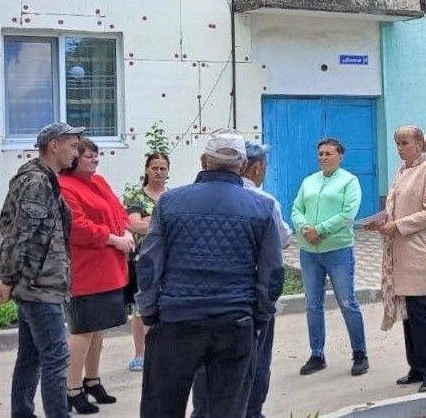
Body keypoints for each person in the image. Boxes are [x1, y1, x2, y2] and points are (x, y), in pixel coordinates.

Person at [136, 128, 285, 418]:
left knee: (161, 409)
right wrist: (259, 316)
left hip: (177, 320)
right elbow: (272, 275)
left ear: (203, 160)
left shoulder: (169, 202)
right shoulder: (263, 207)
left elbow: (149, 264)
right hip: (234, 322)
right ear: (242, 166)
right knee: (228, 410)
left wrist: (150, 312)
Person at [191, 141, 292, 418]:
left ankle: (203, 412)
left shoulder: (186, 198)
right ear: (254, 167)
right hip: (246, 299)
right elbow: (279, 247)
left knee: (205, 363)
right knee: (253, 362)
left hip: (199, 299)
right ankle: (251, 412)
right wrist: (265, 307)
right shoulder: (264, 202)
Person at [0, 122, 83, 418]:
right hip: (38, 285)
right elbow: (19, 233)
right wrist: (7, 277)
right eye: (72, 144)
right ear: (54, 145)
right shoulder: (37, 182)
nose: (76, 151)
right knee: (57, 357)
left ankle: (22, 412)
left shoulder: (45, 179)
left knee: (31, 356)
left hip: (40, 281)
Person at [59, 138, 135, 414]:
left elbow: (118, 209)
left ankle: (92, 381)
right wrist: (113, 238)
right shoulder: (65, 187)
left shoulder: (99, 182)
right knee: (83, 330)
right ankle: (72, 389)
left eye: (96, 155)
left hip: (110, 268)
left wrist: (125, 230)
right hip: (87, 270)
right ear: (74, 159)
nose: (95, 159)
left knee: (98, 329)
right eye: (89, 155)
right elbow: (77, 227)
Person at [369, 125, 426, 394]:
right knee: (408, 312)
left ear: (420, 144)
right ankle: (416, 367)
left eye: (404, 143)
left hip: (417, 249)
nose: (400, 148)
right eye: (397, 143)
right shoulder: (403, 171)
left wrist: (398, 226)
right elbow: (397, 207)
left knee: (418, 309)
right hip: (400, 249)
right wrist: (381, 221)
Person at [291, 137, 368, 377]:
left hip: (337, 250)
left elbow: (348, 214)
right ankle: (317, 354)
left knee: (347, 302)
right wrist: (305, 228)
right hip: (309, 252)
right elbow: (296, 209)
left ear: (340, 156)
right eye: (320, 153)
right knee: (313, 305)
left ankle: (360, 353)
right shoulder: (309, 181)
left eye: (328, 153)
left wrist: (320, 229)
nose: (323, 157)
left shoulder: (349, 181)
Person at [122, 152, 170, 373]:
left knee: (165, 306)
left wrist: (149, 221)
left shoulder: (173, 195)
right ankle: (140, 354)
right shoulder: (135, 197)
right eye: (154, 168)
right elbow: (134, 226)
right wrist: (161, 223)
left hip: (170, 260)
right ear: (146, 169)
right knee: (141, 309)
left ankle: (161, 351)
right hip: (144, 261)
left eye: (162, 168)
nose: (158, 172)